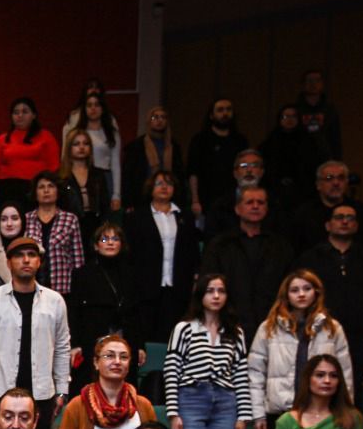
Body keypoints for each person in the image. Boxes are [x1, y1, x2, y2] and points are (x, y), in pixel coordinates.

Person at [0, 237, 72, 429]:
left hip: (42, 394)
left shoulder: (55, 301)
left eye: (31, 255)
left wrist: (62, 390)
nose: (26, 260)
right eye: (19, 255)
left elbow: (63, 348)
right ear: (8, 262)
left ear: (39, 262)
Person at [164, 274, 252, 429]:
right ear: (200, 294)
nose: (216, 296)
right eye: (210, 291)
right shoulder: (184, 328)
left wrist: (243, 416)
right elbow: (172, 370)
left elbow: (240, 374)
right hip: (192, 397)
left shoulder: (235, 332)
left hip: (225, 401)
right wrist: (173, 413)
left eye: (221, 291)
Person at [249, 270, 355, 429]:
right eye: (294, 290)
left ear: (316, 292)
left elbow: (344, 372)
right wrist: (258, 414)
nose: (301, 294)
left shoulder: (332, 327)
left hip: (322, 410)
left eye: (307, 288)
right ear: (286, 295)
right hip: (281, 410)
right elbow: (256, 372)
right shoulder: (268, 328)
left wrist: (345, 409)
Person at [295, 202, 363, 401]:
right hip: (320, 332)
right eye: (339, 217)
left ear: (356, 225)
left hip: (358, 336)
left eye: (350, 218)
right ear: (328, 225)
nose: (345, 221)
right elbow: (299, 295)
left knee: (352, 387)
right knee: (316, 383)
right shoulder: (311, 258)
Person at [125, 169, 200, 346]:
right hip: (145, 287)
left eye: (169, 183)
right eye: (159, 183)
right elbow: (130, 253)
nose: (164, 187)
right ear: (150, 188)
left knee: (173, 337)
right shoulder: (137, 217)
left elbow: (192, 251)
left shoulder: (184, 216)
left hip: (177, 287)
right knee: (145, 336)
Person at [66, 224, 139, 388]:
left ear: (122, 244)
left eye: (115, 239)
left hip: (125, 336)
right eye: (104, 239)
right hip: (91, 338)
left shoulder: (131, 273)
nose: (110, 243)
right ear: (95, 245)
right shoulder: (82, 274)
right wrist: (75, 344)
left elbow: (137, 311)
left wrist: (140, 346)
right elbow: (75, 311)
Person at [291, 158, 363, 255]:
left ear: (347, 182)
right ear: (318, 185)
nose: (336, 183)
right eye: (329, 178)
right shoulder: (304, 214)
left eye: (341, 178)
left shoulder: (361, 212)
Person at [0, 98, 60, 215]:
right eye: (16, 112)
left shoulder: (46, 137)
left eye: (25, 112)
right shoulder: (2, 139)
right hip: (6, 191)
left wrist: (46, 190)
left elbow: (54, 166)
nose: (20, 115)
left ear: (34, 115)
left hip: (34, 190)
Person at [203, 149, 290, 243]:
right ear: (235, 173)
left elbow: (283, 240)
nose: (249, 170)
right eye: (244, 166)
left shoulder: (274, 204)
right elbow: (211, 242)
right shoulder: (220, 206)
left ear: (262, 172)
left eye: (255, 165)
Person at [186, 98, 248, 221]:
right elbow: (193, 173)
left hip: (233, 200)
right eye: (220, 110)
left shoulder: (240, 141)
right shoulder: (200, 140)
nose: (225, 113)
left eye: (228, 110)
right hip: (206, 200)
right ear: (211, 115)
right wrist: (195, 200)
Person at [24, 171, 85, 296]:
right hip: (31, 288)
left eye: (51, 186)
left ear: (58, 191)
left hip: (62, 289)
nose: (46, 190)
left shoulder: (70, 219)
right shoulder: (26, 219)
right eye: (41, 187)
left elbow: (78, 260)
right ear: (35, 193)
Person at [259, 106, 327, 213]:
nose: (289, 119)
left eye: (293, 116)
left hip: (303, 192)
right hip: (275, 192)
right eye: (285, 116)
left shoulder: (309, 142)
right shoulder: (270, 142)